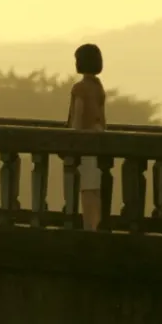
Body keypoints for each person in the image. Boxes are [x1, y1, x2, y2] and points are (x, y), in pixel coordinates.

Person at [66, 43, 106, 230]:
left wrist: (72, 141)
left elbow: (78, 117)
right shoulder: (98, 88)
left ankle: (88, 226)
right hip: (97, 142)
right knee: (95, 189)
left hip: (85, 144)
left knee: (86, 188)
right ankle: (95, 225)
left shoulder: (79, 88)